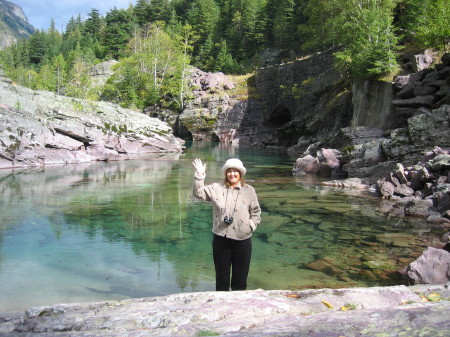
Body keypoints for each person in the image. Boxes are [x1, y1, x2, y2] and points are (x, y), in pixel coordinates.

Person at [192, 158, 261, 291]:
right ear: (226, 173)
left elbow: (256, 211)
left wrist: (251, 226)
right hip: (220, 239)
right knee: (221, 278)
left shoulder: (249, 190)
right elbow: (198, 193)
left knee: (240, 278)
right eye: (229, 171)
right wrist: (199, 175)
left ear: (240, 174)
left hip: (243, 240)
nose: (232, 174)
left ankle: (238, 308)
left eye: (235, 171)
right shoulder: (216, 188)